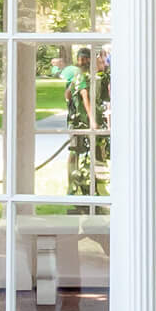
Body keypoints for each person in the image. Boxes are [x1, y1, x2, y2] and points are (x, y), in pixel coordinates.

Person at [58, 48, 93, 202]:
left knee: (90, 154)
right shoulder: (75, 75)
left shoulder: (90, 75)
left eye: (85, 58)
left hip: (86, 119)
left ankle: (87, 184)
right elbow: (70, 95)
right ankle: (72, 184)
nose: (83, 61)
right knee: (74, 153)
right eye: (81, 58)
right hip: (77, 120)